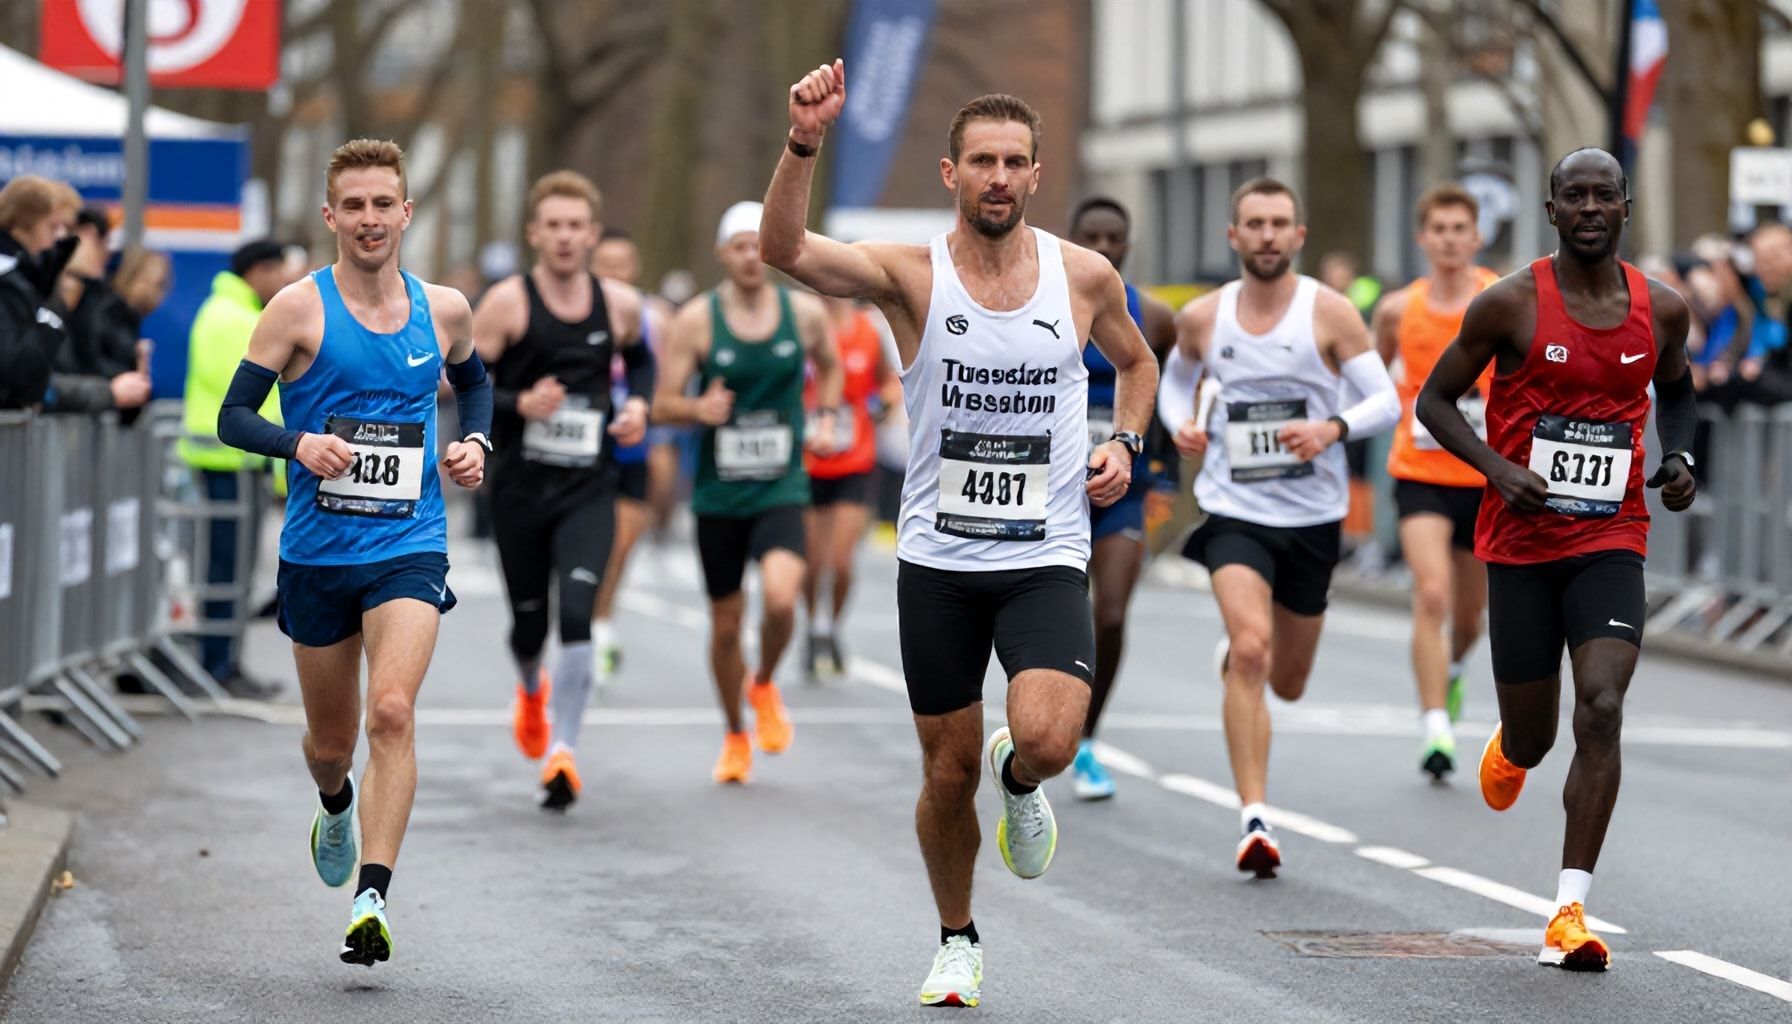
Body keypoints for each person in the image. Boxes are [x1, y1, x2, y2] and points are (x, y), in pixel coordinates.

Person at [762, 63, 1158, 1008]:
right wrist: (803, 142)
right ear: (951, 173)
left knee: (1051, 736)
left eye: (1014, 162)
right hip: (937, 559)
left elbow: (1138, 363)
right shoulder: (908, 273)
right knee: (943, 770)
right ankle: (957, 938)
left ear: (1034, 174)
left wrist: (1126, 439)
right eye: (981, 160)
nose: (997, 176)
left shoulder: (1084, 275)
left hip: (1044, 553)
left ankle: (1021, 778)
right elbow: (785, 251)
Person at [1416, 148, 1696, 972]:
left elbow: (1677, 391)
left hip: (1613, 536)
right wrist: (1499, 470)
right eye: (1572, 195)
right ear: (1551, 210)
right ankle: (1512, 745)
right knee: (1537, 738)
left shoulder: (1663, 309)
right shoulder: (1508, 305)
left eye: (1602, 195)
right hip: (1521, 541)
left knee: (1602, 706)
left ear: (1625, 207)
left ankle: (1569, 910)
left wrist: (1679, 459)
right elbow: (1435, 400)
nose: (1588, 208)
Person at [216, 139, 493, 966]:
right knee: (332, 743)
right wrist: (297, 443)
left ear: (406, 213)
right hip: (318, 554)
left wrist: (476, 439)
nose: (371, 220)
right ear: (331, 216)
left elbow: (475, 382)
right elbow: (234, 416)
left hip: (409, 541)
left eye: (385, 205)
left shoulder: (442, 308)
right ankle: (334, 801)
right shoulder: (297, 310)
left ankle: (371, 896)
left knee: (394, 713)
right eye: (356, 207)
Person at [1159, 177, 1399, 880]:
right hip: (1234, 509)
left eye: (1280, 224)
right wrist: (1183, 425)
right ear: (1234, 237)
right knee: (1254, 647)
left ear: (1299, 237)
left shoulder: (1328, 316)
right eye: (1254, 224)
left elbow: (1386, 400)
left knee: (1288, 681)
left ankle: (1243, 663)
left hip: (1312, 518)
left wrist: (1331, 427)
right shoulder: (1204, 318)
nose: (1267, 235)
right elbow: (1176, 384)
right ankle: (1255, 818)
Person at [474, 171, 649, 810]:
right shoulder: (507, 304)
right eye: (554, 225)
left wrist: (641, 408)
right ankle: (529, 687)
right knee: (529, 626)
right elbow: (461, 384)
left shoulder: (620, 303)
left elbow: (645, 361)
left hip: (589, 489)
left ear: (592, 233)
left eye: (577, 225)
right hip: (520, 489)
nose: (566, 236)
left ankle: (563, 751)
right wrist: (521, 401)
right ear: (534, 234)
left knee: (578, 614)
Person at [653, 200, 839, 785]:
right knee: (727, 624)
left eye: (759, 243)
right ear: (722, 255)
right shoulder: (697, 321)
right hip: (718, 496)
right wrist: (697, 408)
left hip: (781, 485)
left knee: (783, 599)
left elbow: (829, 365)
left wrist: (827, 416)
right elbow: (663, 403)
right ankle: (735, 732)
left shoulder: (804, 314)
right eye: (738, 245)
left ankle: (762, 684)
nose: (751, 255)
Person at [1369, 184, 1500, 779]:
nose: (1449, 239)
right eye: (1439, 229)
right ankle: (1434, 728)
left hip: (1485, 473)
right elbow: (1372, 375)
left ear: (1477, 236)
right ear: (1423, 238)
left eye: (1459, 229)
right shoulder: (1398, 310)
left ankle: (1451, 672)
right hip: (1418, 468)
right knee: (1432, 594)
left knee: (1470, 616)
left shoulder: (1501, 299)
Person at [1062, 196, 1176, 800]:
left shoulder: (1153, 316)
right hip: (1053, 489)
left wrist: (1166, 475)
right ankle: (1045, 719)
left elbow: (1167, 395)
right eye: (1092, 236)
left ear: (1128, 246)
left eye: (1115, 238)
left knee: (1109, 613)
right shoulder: (1049, 304)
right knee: (1064, 613)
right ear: (1073, 239)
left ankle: (1087, 738)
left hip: (1125, 487)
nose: (1104, 247)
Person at [178, 239, 301, 698]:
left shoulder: (236, 311)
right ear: (259, 270)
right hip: (224, 458)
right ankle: (217, 664)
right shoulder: (232, 316)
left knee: (235, 569)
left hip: (239, 460)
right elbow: (249, 394)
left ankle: (225, 661)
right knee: (226, 570)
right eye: (278, 271)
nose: (283, 281)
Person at [590, 226, 674, 677]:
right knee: (585, 546)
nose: (615, 274)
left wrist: (660, 433)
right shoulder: (576, 310)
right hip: (582, 448)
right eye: (606, 266)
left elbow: (668, 378)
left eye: (622, 265)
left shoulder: (655, 317)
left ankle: (601, 623)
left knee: (620, 545)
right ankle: (582, 623)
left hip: (634, 445)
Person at [802, 295, 898, 679]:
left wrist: (884, 403)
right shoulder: (802, 321)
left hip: (854, 460)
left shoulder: (867, 330)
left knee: (840, 562)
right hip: (806, 460)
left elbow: (888, 382)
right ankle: (812, 624)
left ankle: (830, 627)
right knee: (810, 564)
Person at [0, 176, 142, 413]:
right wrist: (108, 393)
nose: (63, 239)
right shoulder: (16, 282)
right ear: (23, 225)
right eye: (54, 226)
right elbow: (26, 377)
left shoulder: (87, 297)